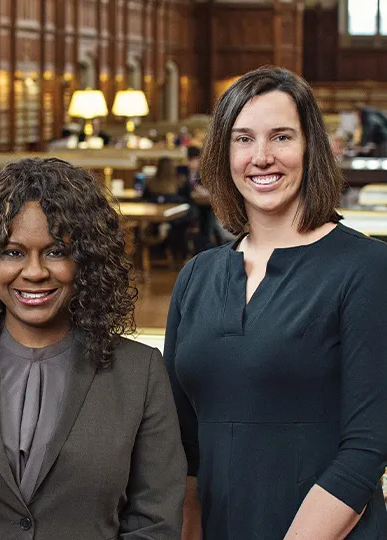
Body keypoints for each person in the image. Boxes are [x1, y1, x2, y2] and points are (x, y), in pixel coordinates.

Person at [0, 157, 186, 539]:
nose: (35, 271)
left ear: (86, 260)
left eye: (56, 251)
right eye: (12, 252)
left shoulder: (139, 372)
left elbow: (155, 524)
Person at [165, 66, 387, 539]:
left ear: (312, 147)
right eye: (243, 139)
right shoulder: (195, 277)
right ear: (224, 154)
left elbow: (367, 447)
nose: (261, 157)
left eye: (281, 137)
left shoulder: (367, 267)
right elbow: (182, 445)